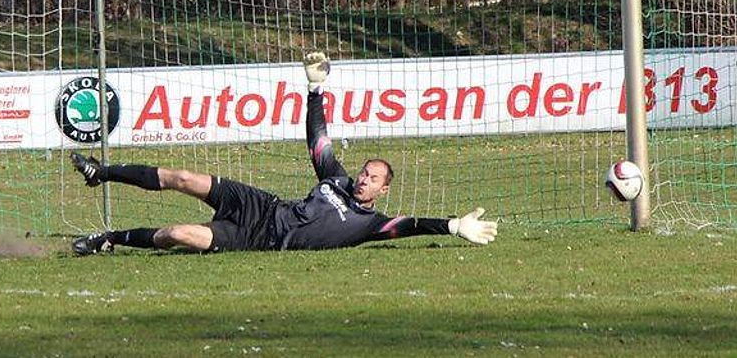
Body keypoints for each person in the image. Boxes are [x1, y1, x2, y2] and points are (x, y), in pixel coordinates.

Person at [71, 52, 497, 255]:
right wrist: (315, 90)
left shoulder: (373, 224)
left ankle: (108, 239)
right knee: (182, 177)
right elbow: (318, 137)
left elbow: (414, 225)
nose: (364, 178)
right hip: (259, 204)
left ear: (383, 191)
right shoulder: (335, 178)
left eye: (373, 178)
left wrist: (455, 225)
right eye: (365, 171)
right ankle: (100, 172)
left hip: (258, 239)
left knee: (176, 236)